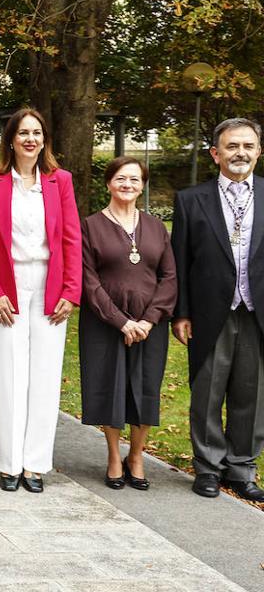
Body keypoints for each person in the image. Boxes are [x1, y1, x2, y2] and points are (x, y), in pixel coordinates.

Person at [0, 107, 82, 493]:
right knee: (8, 375)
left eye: (36, 133)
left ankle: (35, 464)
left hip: (51, 284)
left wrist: (71, 291)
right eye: (23, 133)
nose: (30, 139)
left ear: (44, 139)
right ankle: (9, 464)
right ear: (11, 139)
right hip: (8, 285)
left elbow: (71, 238)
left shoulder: (60, 181)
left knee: (45, 377)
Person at [171, 117, 264, 501]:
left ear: (259, 152)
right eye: (231, 146)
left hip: (258, 312)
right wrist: (181, 312)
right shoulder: (191, 200)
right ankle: (208, 467)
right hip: (210, 311)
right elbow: (180, 260)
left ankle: (241, 468)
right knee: (207, 391)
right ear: (215, 153)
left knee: (252, 393)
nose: (239, 153)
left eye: (247, 146)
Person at [79, 156, 176, 492]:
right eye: (121, 178)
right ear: (109, 182)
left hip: (151, 326)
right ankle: (113, 457)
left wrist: (149, 320)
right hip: (106, 324)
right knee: (110, 387)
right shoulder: (90, 226)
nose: (128, 185)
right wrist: (121, 322)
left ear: (142, 186)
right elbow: (88, 282)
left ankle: (136, 455)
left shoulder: (156, 227)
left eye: (135, 180)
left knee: (145, 389)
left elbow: (169, 276)